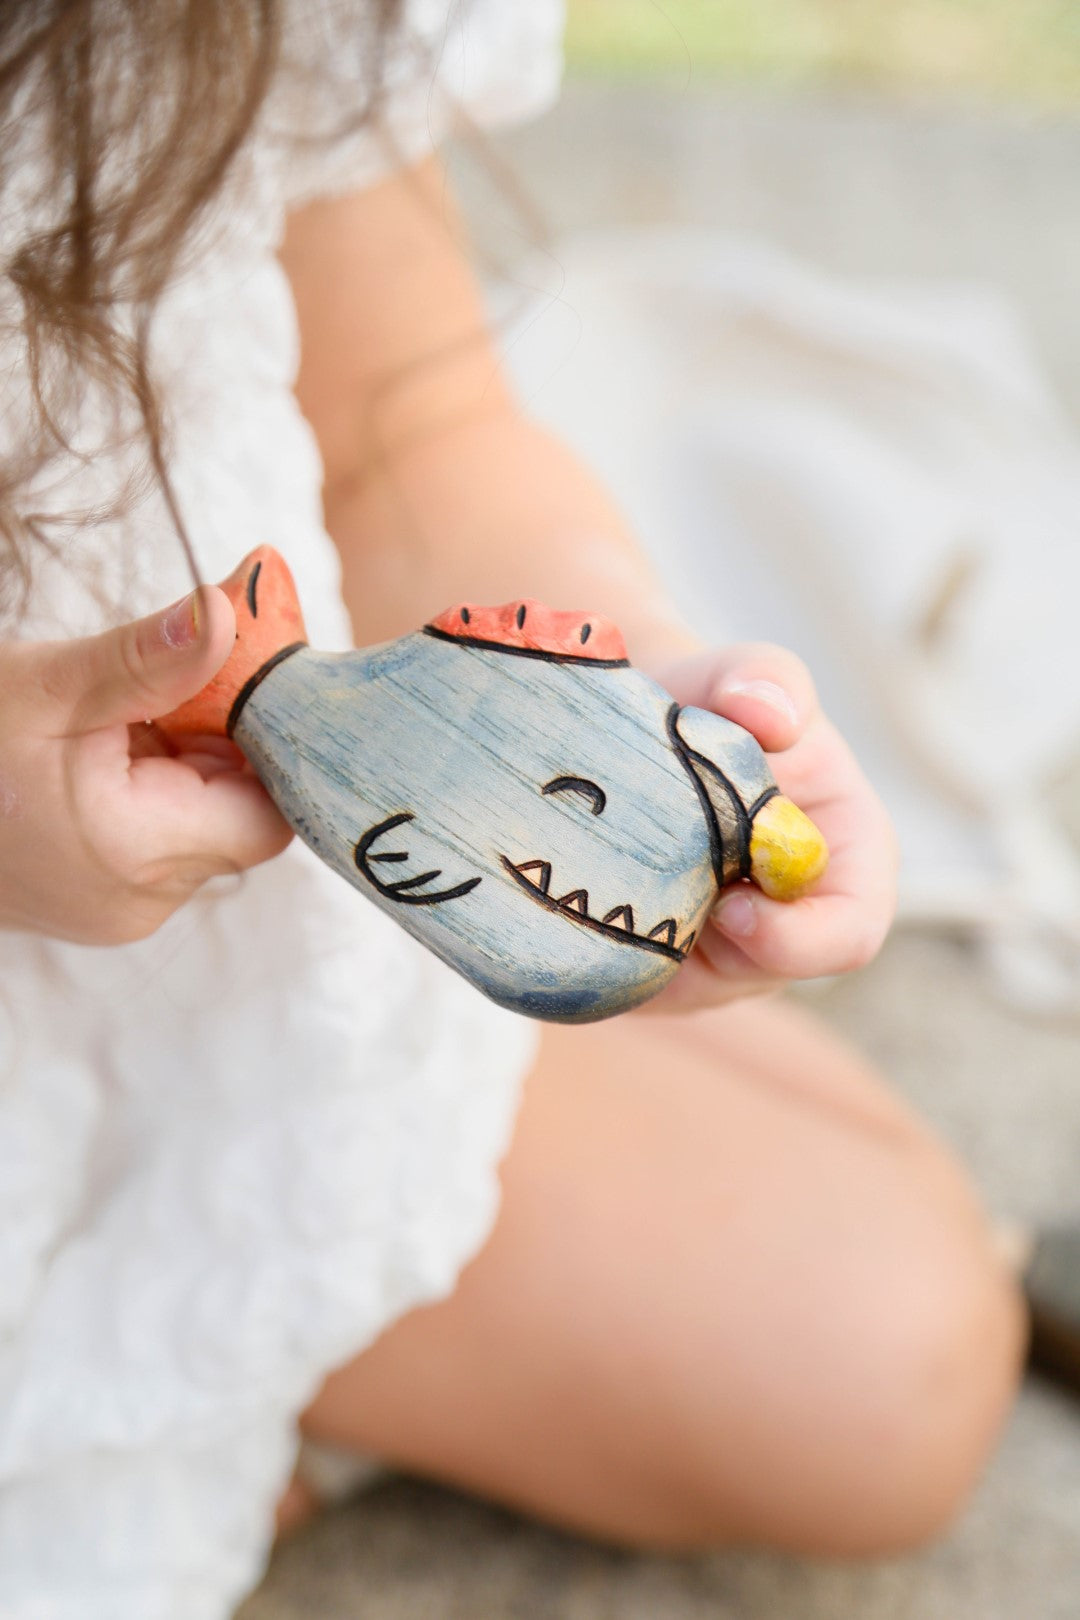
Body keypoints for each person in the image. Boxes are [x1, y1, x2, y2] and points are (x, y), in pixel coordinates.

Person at [0, 3, 1024, 1615]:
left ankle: (273, 1335)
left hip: (224, 919)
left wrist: (641, 687)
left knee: (898, 1359)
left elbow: (415, 426)